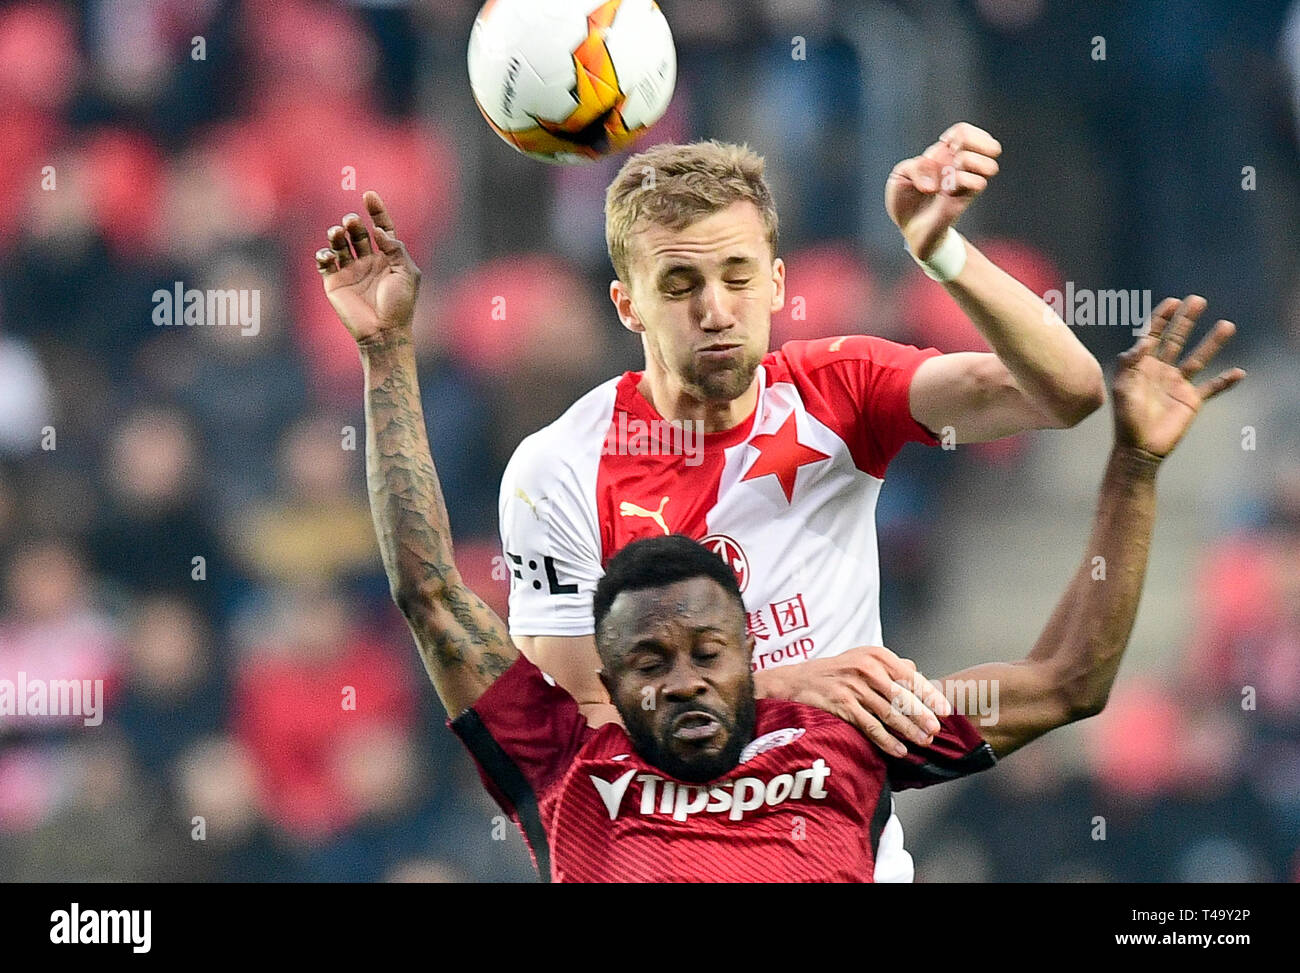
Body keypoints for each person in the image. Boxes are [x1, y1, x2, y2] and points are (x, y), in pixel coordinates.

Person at [315, 192, 1243, 882]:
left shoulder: (843, 728)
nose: (681, 675)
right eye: (651, 658)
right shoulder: (566, 756)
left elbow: (1070, 682)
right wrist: (387, 351)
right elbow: (431, 592)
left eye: (707, 651)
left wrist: (1136, 465)